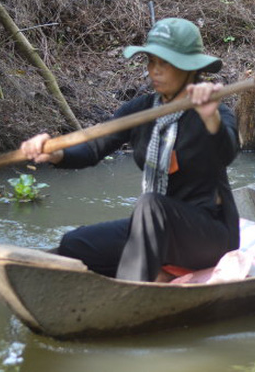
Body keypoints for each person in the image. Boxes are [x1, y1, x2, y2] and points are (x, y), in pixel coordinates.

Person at [19, 18, 241, 282]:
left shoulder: (213, 112)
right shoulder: (140, 110)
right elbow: (93, 149)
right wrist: (55, 154)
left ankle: (131, 288)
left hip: (209, 235)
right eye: (151, 62)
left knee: (149, 205)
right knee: (73, 245)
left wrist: (209, 118)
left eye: (165, 64)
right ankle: (152, 271)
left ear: (188, 68)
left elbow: (227, 152)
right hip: (152, 227)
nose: (154, 71)